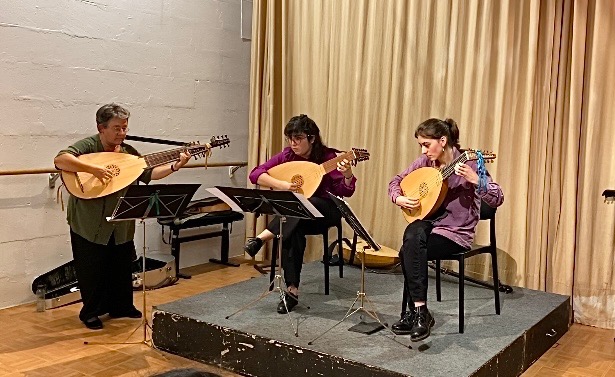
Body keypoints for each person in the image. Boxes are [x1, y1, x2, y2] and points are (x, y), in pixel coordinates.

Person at [54, 103, 191, 330]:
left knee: (120, 265)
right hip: (89, 221)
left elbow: (149, 174)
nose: (122, 133)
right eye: (116, 128)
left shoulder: (129, 153)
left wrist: (176, 165)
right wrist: (93, 170)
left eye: (124, 128)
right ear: (101, 127)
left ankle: (121, 306)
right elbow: (61, 159)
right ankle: (91, 312)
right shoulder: (89, 146)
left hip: (121, 221)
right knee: (92, 268)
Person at [388, 118, 504, 341]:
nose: (423, 150)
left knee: (408, 251)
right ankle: (421, 311)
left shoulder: (469, 163)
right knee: (412, 235)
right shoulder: (425, 163)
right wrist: (399, 197)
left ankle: (414, 313)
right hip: (430, 226)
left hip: (455, 232)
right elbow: (395, 182)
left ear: (443, 141)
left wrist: (476, 180)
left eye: (426, 144)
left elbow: (497, 197)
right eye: (420, 145)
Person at [244, 114, 357, 314]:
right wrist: (284, 185)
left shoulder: (330, 158)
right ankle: (291, 291)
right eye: (290, 138)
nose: (293, 143)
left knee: (303, 204)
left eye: (298, 139)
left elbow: (345, 192)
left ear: (312, 138)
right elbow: (255, 174)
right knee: (292, 226)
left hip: (325, 211)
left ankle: (262, 238)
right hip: (299, 217)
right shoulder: (287, 156)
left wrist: (347, 175)